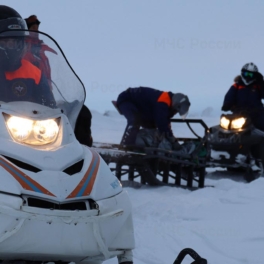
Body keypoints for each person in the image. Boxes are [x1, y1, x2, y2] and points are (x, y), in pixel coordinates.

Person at [24, 14, 93, 147]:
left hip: (45, 97)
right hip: (24, 98)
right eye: (32, 29)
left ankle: (81, 150)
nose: (36, 32)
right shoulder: (19, 50)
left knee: (82, 112)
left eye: (37, 28)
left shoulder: (41, 51)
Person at [0, 5, 55, 107]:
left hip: (22, 120)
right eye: (5, 43)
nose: (11, 47)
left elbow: (49, 107)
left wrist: (53, 112)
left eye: (15, 43)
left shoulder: (34, 73)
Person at [116, 86, 191, 150]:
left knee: (152, 127)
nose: (175, 113)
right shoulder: (163, 101)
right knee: (134, 121)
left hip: (142, 108)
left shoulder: (167, 107)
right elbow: (161, 123)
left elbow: (166, 124)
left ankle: (143, 146)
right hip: (127, 99)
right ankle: (125, 146)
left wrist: (172, 138)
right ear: (175, 104)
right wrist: (173, 141)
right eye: (176, 110)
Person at [221, 62, 264, 131]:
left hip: (257, 114)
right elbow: (230, 95)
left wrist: (261, 83)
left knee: (261, 126)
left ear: (255, 76)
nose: (247, 77)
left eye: (250, 75)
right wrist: (227, 104)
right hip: (239, 113)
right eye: (246, 74)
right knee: (227, 128)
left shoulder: (258, 85)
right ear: (242, 73)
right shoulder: (237, 85)